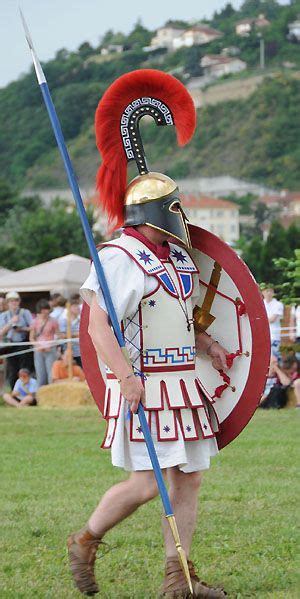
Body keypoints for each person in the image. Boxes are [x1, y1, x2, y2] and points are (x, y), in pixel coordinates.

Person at [67, 70, 227, 598]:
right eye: (174, 206)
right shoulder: (119, 258)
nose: (180, 214)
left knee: (188, 479)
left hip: (182, 381)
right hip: (145, 384)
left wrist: (205, 342)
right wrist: (125, 378)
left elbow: (174, 314)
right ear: (159, 211)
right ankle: (85, 540)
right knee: (144, 484)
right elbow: (96, 323)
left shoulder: (174, 257)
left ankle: (177, 582)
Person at [0, 291, 33, 389]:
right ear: (8, 303)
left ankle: (26, 391)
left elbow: (32, 328)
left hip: (23, 343)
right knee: (12, 371)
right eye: (11, 301)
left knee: (24, 370)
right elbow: (1, 332)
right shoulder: (4, 315)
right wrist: (11, 323)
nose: (14, 303)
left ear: (19, 301)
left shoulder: (25, 312)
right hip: (10, 345)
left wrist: (21, 328)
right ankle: (14, 392)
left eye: (16, 300)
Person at [29, 299, 58, 387]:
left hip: (51, 349)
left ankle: (51, 394)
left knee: (51, 374)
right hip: (38, 350)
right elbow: (31, 338)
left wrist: (52, 344)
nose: (45, 312)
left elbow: (57, 335)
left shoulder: (53, 321)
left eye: (47, 309)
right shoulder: (34, 322)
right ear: (39, 310)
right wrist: (37, 346)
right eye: (43, 310)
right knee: (40, 374)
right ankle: (41, 395)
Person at [261, 284, 284, 359]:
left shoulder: (278, 304)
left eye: (271, 291)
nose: (269, 293)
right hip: (262, 334)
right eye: (267, 291)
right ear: (263, 292)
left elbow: (272, 319)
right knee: (264, 357)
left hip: (274, 334)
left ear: (273, 293)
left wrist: (260, 320)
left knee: (274, 357)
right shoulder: (260, 304)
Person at [59, 298, 82, 367]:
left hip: (80, 352)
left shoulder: (81, 321)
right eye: (75, 306)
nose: (78, 308)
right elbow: (62, 335)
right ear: (69, 308)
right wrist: (78, 334)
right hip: (68, 353)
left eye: (78, 306)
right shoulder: (63, 321)